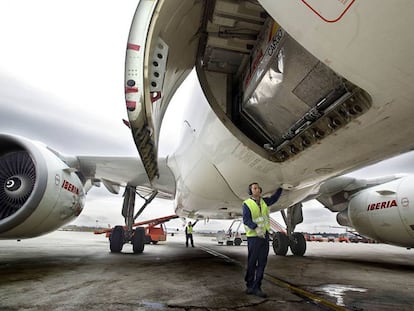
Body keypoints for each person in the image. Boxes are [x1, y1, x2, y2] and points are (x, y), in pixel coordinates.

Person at [243, 182, 283, 298]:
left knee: (262, 263)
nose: (257, 189)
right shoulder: (247, 204)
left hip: (264, 237)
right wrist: (256, 228)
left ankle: (257, 287)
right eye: (254, 188)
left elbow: (274, 199)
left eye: (258, 187)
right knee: (252, 262)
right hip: (253, 237)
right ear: (251, 191)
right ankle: (249, 285)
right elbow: (246, 219)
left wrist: (281, 188)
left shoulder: (264, 201)